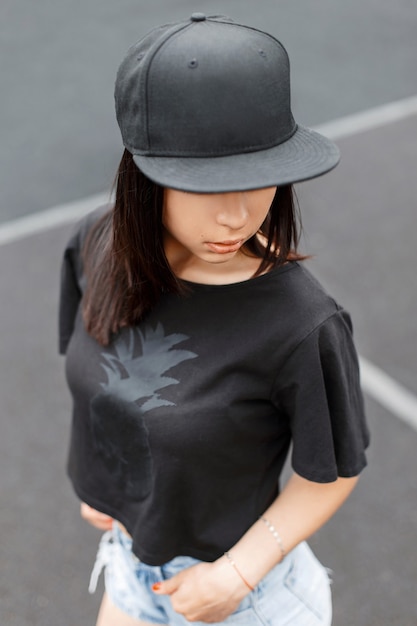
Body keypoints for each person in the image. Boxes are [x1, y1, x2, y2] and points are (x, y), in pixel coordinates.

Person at [59, 13, 370, 626]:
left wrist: (235, 575)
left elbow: (332, 471)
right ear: (145, 179)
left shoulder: (303, 323)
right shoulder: (96, 242)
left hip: (244, 598)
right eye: (207, 186)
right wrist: (107, 486)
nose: (237, 217)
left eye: (259, 180)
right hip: (130, 568)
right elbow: (90, 373)